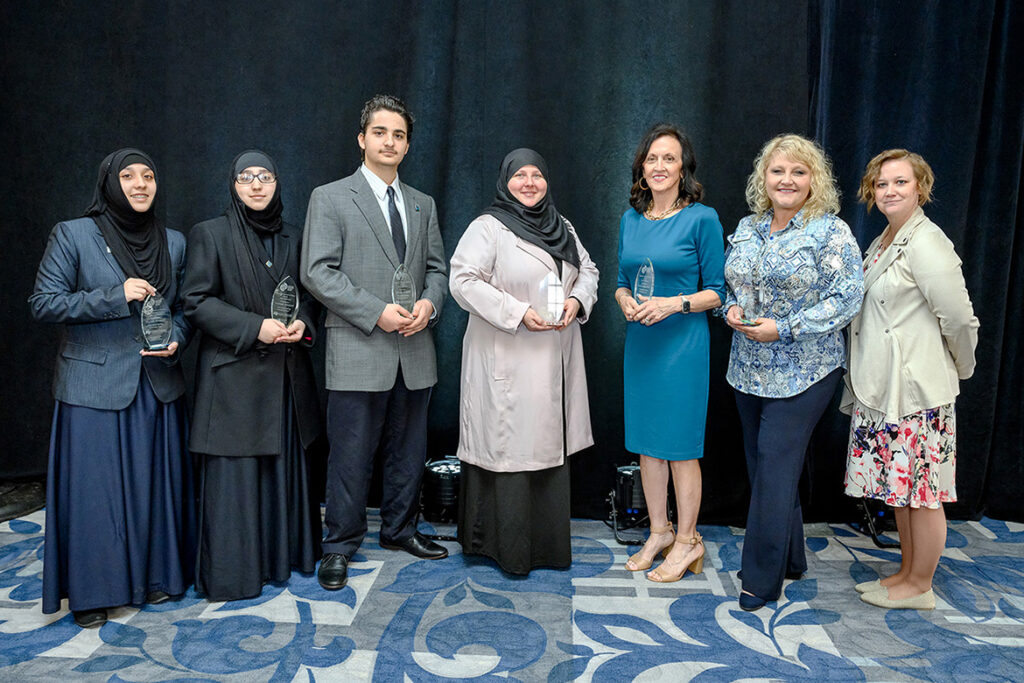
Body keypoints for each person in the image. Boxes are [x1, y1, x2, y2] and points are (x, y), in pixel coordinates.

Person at [30, 148, 195, 628]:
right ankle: (92, 592)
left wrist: (177, 341)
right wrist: (114, 295)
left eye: (149, 175)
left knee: (152, 487)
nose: (141, 184)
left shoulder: (174, 242)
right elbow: (43, 303)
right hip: (93, 384)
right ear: (109, 183)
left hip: (156, 383)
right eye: (128, 176)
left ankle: (155, 580)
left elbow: (185, 309)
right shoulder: (74, 234)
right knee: (96, 495)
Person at [301, 94, 448, 591]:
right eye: (380, 132)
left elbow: (436, 270)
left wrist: (429, 304)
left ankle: (400, 529)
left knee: (408, 451)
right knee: (351, 454)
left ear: (407, 146)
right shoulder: (331, 196)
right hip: (359, 347)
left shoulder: (422, 203)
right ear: (362, 139)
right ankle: (340, 543)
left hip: (414, 349)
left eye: (399, 135)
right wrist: (376, 313)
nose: (390, 141)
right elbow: (317, 272)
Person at [723, 134, 863, 611]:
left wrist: (784, 328)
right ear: (764, 178)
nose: (787, 180)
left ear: (813, 181)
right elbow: (733, 285)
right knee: (765, 467)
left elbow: (847, 299)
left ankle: (760, 579)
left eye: (798, 172)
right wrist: (732, 308)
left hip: (806, 370)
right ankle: (792, 557)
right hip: (747, 368)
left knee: (775, 469)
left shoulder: (831, 232)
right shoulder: (748, 227)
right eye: (778, 171)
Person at [449, 148, 599, 574]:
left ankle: (547, 545)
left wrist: (576, 299)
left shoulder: (562, 226)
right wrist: (517, 313)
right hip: (509, 354)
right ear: (505, 181)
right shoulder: (488, 228)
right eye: (520, 175)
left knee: (546, 444)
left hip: (553, 350)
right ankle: (505, 549)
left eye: (537, 174)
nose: (529, 182)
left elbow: (588, 270)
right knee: (511, 450)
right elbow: (462, 281)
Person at [182, 150, 323, 602]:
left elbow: (307, 295)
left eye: (265, 177)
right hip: (234, 379)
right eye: (247, 178)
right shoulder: (211, 233)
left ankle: (281, 561)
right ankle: (235, 573)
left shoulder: (294, 236)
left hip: (283, 377)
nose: (257, 185)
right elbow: (197, 302)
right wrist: (253, 327)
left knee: (282, 468)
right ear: (234, 184)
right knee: (237, 480)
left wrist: (303, 322)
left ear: (278, 183)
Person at [843, 150, 978, 610]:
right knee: (901, 489)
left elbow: (960, 320)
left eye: (900, 182)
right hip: (885, 388)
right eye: (882, 184)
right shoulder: (886, 239)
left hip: (917, 390)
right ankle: (904, 572)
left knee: (922, 494)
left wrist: (958, 369)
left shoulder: (927, 242)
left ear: (920, 187)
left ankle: (921, 585)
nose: (890, 191)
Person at [614, 124, 725, 583]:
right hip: (641, 344)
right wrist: (623, 299)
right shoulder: (631, 219)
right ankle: (659, 532)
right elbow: (622, 279)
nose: (659, 166)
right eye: (652, 159)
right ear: (642, 166)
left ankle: (687, 540)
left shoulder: (703, 218)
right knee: (647, 447)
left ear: (684, 168)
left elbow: (717, 293)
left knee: (679, 449)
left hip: (683, 346)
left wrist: (673, 304)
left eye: (670, 159)